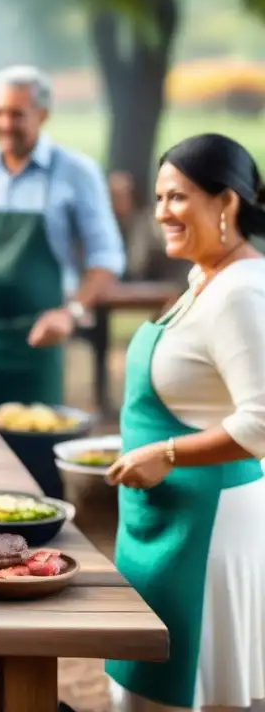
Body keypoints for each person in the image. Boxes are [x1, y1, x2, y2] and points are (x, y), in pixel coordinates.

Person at [105, 133, 265, 712]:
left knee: (179, 690)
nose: (161, 213)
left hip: (205, 531)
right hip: (163, 522)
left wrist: (165, 454)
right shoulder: (207, 278)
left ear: (225, 203)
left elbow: (262, 423)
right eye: (158, 197)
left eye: (177, 197)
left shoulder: (240, 293)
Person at [0, 65, 126, 408]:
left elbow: (108, 258)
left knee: (34, 442)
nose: (5, 124)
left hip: (41, 339)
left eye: (16, 114)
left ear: (43, 114)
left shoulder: (76, 172)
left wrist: (70, 313)